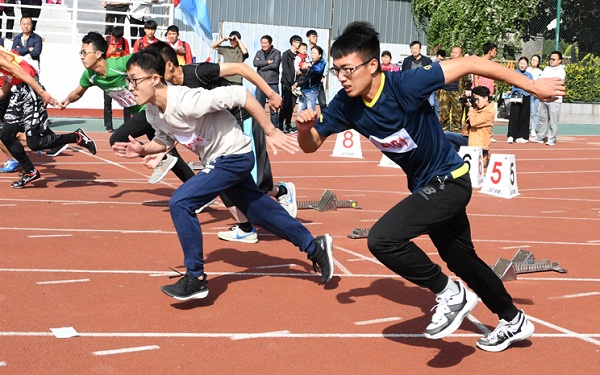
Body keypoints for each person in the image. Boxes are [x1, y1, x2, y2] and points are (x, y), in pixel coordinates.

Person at [296, 21, 564, 352]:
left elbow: (471, 63)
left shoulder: (407, 83)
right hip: (427, 188)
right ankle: (513, 318)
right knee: (462, 259)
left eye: (349, 69)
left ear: (373, 65)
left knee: (383, 239)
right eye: (337, 71)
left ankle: (449, 292)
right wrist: (302, 129)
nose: (343, 77)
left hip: (449, 181)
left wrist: (532, 87)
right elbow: (311, 145)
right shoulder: (345, 104)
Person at [112, 49, 334, 300]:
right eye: (128, 81)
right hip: (220, 160)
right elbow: (165, 139)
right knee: (262, 213)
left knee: (181, 202)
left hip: (233, 156)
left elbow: (240, 94)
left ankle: (195, 278)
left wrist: (270, 130)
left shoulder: (187, 99)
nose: (130, 87)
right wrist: (143, 149)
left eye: (134, 80)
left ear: (154, 79)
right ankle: (315, 248)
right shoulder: (153, 111)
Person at [141, 41, 298, 243]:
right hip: (221, 135)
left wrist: (270, 94)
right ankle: (246, 228)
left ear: (169, 64)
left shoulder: (198, 72)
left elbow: (240, 68)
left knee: (255, 185)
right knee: (223, 179)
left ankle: (282, 191)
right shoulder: (172, 91)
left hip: (243, 120)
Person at [59, 31, 191, 185]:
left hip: (149, 109)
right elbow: (77, 92)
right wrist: (67, 100)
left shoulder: (121, 64)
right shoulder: (89, 75)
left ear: (98, 54)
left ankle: (162, 157)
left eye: (85, 52)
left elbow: (147, 57)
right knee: (170, 155)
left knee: (117, 139)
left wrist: (170, 58)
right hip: (142, 114)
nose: (81, 56)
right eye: (80, 52)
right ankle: (199, 191)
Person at [0, 46, 96, 188]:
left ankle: (77, 137)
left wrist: (41, 92)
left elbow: (19, 71)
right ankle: (30, 172)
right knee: (5, 135)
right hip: (20, 90)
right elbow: (9, 81)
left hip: (30, 88)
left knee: (34, 144)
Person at [531, 51, 566, 146]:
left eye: (553, 59)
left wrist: (546, 81)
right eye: (550, 59)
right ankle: (540, 136)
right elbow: (541, 80)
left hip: (555, 99)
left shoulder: (561, 71)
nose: (551, 61)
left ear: (559, 61)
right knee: (542, 119)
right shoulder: (546, 68)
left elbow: (555, 81)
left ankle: (551, 139)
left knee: (553, 120)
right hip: (544, 98)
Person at [104, 26, 131, 133]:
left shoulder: (124, 42)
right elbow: (101, 57)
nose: (116, 40)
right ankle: (108, 126)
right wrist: (110, 52)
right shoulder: (106, 41)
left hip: (121, 75)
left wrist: (122, 51)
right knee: (107, 101)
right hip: (108, 75)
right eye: (115, 38)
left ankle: (127, 125)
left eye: (118, 38)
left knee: (126, 100)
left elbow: (128, 57)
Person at [438, 46, 470, 133]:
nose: (454, 54)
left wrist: (465, 90)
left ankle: (456, 133)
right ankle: (444, 132)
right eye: (452, 52)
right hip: (445, 91)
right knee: (444, 114)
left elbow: (467, 80)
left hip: (457, 92)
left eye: (456, 53)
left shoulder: (464, 66)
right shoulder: (446, 64)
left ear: (460, 55)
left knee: (457, 115)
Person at [252, 34, 280, 128]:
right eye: (262, 43)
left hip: (273, 84)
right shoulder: (259, 53)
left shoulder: (276, 53)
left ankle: (275, 128)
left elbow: (275, 65)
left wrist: (262, 67)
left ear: (270, 43)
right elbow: (255, 63)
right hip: (260, 83)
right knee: (259, 107)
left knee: (274, 108)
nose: (263, 45)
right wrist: (267, 62)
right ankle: (258, 128)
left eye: (265, 43)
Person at [466, 86, 495, 166]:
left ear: (486, 98)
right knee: (447, 135)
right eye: (475, 100)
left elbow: (473, 122)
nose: (476, 102)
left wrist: (471, 108)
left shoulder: (489, 111)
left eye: (478, 99)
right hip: (470, 139)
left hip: (480, 144)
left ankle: (484, 155)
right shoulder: (477, 108)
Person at [506, 57, 533, 144]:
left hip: (526, 96)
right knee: (514, 116)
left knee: (524, 116)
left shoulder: (529, 75)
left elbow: (531, 84)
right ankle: (511, 135)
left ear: (527, 65)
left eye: (524, 64)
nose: (522, 65)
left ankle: (521, 136)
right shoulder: (514, 73)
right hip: (516, 96)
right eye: (521, 63)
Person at [279, 34, 302, 133]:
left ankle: (288, 124)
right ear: (293, 43)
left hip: (296, 85)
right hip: (287, 83)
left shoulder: (299, 56)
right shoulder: (286, 54)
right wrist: (291, 82)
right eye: (297, 42)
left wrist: (297, 82)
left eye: (300, 42)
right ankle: (280, 124)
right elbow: (286, 70)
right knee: (285, 104)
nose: (299, 44)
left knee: (292, 105)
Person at [297, 45, 326, 113]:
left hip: (311, 90)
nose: (312, 55)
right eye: (311, 53)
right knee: (300, 112)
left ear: (319, 55)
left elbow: (319, 70)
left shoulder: (321, 63)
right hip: (304, 90)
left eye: (314, 53)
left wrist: (311, 66)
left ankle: (312, 123)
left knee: (310, 111)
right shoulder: (310, 62)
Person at [306, 29, 327, 110]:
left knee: (322, 102)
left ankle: (325, 121)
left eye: (316, 36)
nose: (315, 38)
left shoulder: (321, 51)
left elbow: (325, 63)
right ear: (308, 38)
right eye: (313, 36)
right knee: (306, 102)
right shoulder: (304, 50)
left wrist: (323, 75)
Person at [526, 54, 543, 138]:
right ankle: (524, 128)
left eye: (535, 60)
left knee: (534, 112)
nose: (533, 61)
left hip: (534, 94)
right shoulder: (527, 69)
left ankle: (533, 129)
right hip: (525, 92)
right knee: (525, 111)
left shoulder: (540, 72)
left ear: (538, 62)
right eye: (532, 59)